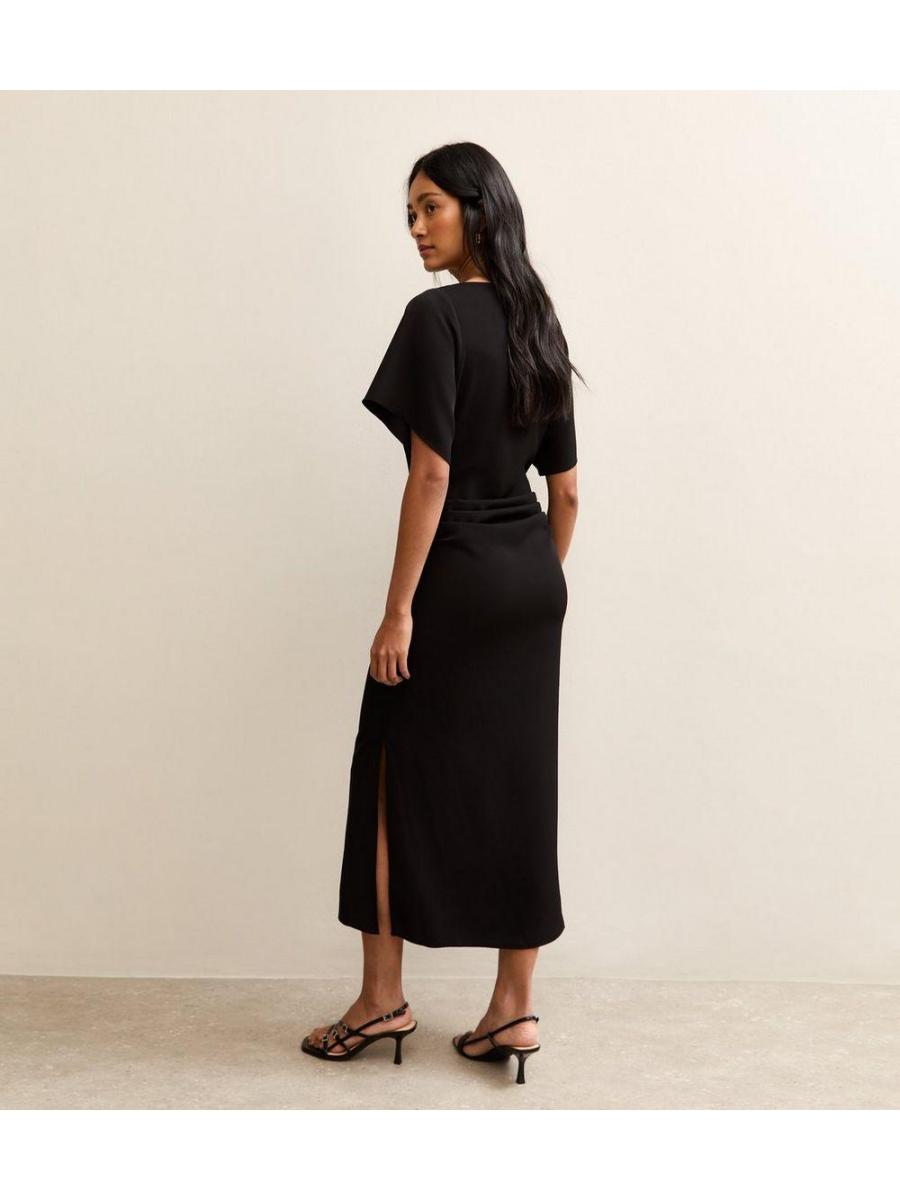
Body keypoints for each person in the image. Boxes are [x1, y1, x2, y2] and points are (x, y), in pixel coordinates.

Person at [301, 142, 582, 1084]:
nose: (417, 228)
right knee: (521, 782)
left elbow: (431, 473)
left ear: (478, 208)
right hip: (532, 584)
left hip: (454, 576)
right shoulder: (539, 319)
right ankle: (513, 1011)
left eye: (430, 208)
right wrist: (528, 587)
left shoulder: (437, 317)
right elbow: (568, 491)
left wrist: (399, 613)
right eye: (410, 214)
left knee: (388, 768)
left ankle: (382, 999)